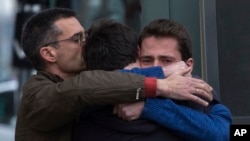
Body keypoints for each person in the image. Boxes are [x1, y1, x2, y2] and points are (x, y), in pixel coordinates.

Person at [14, 8, 213, 141]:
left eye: (85, 35)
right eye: (77, 38)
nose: (86, 42)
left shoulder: (103, 84)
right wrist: (161, 80)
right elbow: (83, 88)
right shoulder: (36, 94)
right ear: (49, 53)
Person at [73, 18, 232, 141]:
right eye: (147, 60)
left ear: (187, 65)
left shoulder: (198, 94)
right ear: (137, 55)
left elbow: (226, 133)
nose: (154, 67)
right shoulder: (100, 97)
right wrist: (161, 75)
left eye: (167, 61)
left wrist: (148, 105)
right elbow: (94, 85)